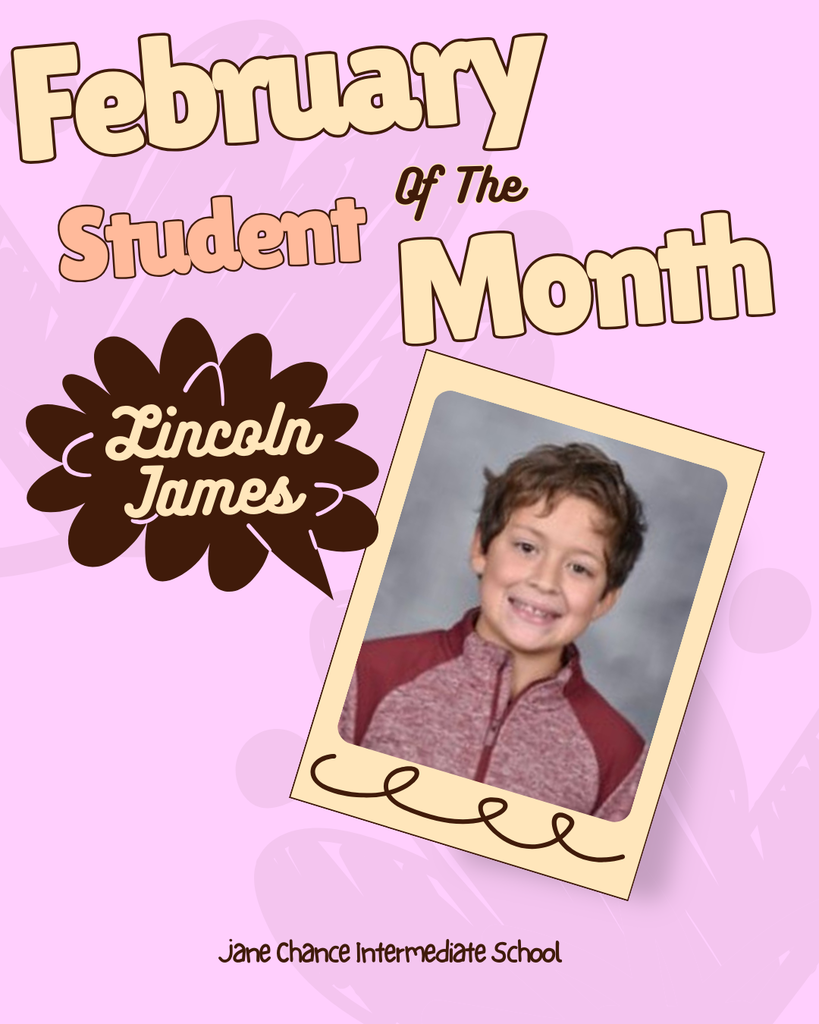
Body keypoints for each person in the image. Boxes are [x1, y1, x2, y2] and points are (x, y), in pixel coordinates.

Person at [339, 443, 648, 821]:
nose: (545, 581)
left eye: (579, 568)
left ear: (604, 600)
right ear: (481, 548)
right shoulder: (366, 674)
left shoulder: (620, 756)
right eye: (526, 547)